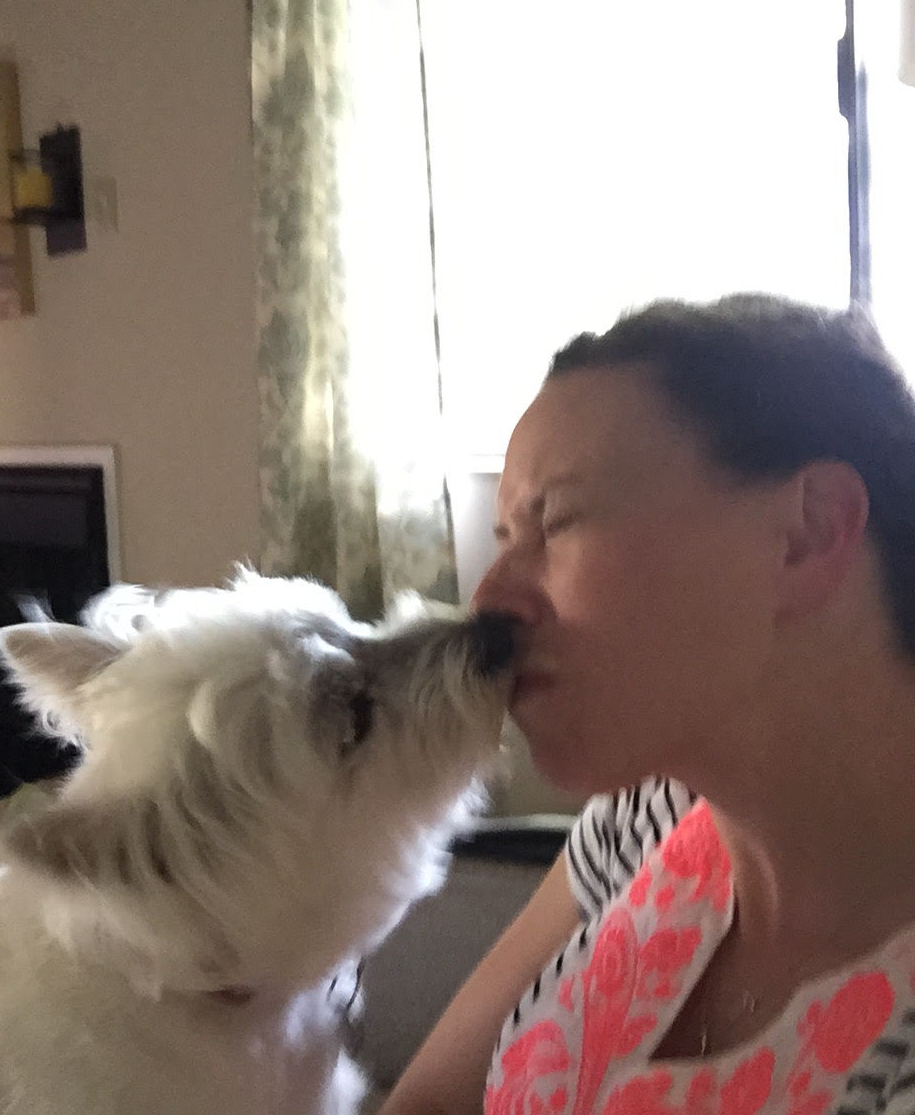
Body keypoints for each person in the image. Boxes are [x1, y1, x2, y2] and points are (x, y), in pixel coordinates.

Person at [378, 292, 915, 1114]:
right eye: (505, 539)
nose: (489, 600)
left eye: (557, 521)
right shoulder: (644, 822)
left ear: (807, 534)